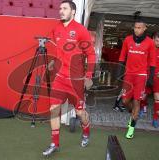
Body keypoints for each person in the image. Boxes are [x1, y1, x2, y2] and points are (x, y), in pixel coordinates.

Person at [42, 0, 96, 156]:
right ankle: (55, 143)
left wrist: (88, 76)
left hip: (76, 80)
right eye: (60, 8)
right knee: (53, 110)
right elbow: (61, 50)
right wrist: (54, 60)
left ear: (73, 11)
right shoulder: (56, 28)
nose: (61, 11)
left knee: (80, 113)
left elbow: (91, 54)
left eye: (64, 8)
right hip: (60, 77)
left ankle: (86, 130)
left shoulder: (81, 30)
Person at [118, 18, 156, 139]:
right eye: (135, 27)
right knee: (124, 101)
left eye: (139, 27)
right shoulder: (128, 40)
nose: (136, 30)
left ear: (145, 28)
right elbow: (122, 56)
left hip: (141, 76)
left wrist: (151, 78)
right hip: (129, 74)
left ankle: (131, 127)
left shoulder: (150, 42)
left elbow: (153, 61)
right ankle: (133, 113)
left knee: (137, 101)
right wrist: (119, 72)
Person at [140, 33, 159, 128]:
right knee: (143, 95)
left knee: (157, 98)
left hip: (157, 78)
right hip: (147, 76)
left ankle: (155, 119)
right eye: (157, 41)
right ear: (153, 39)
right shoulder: (147, 48)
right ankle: (142, 108)